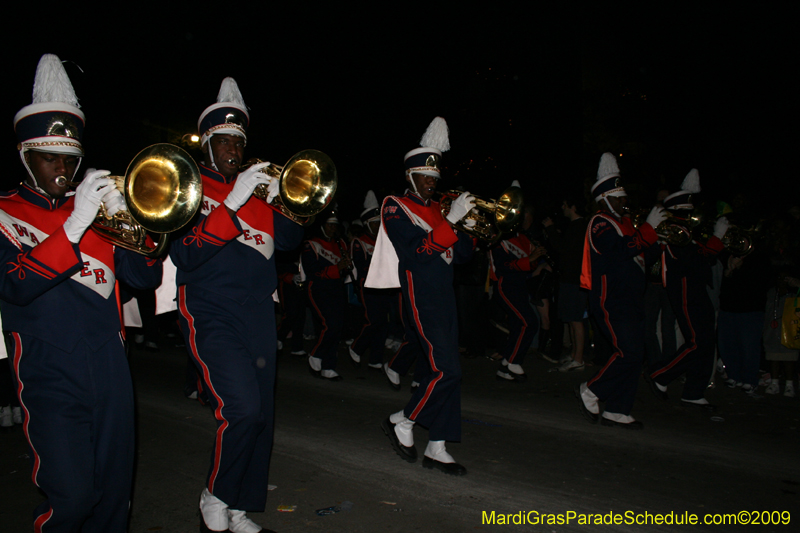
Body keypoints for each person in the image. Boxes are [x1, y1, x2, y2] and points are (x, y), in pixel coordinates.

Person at [0, 54, 162, 532]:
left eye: (71, 159)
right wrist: (72, 227)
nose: (63, 169)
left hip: (110, 364)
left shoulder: (97, 209)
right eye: (50, 157)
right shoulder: (5, 213)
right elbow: (13, 285)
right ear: (25, 155)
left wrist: (129, 219)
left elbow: (144, 278)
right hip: (47, 367)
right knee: (70, 496)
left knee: (114, 496)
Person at [170, 77, 303, 533]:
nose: (232, 148)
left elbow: (289, 238)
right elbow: (185, 254)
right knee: (241, 408)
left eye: (238, 141)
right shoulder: (187, 186)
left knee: (261, 414)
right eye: (223, 140)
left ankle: (239, 505)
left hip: (258, 311)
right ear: (207, 144)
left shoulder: (258, 188)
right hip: (208, 305)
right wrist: (235, 199)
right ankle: (216, 491)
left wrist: (280, 195)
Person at [367, 117, 475, 475]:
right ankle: (404, 419)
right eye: (425, 176)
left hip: (445, 296)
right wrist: (448, 223)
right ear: (410, 175)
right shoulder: (395, 205)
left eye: (435, 177)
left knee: (439, 370)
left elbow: (462, 257)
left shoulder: (440, 211)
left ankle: (439, 446)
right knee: (449, 370)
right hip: (420, 295)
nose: (431, 181)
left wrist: (463, 224)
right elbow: (415, 253)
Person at [575, 152, 666, 429]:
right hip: (610, 298)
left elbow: (639, 259)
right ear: (606, 199)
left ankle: (618, 409)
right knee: (628, 352)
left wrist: (656, 241)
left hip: (630, 298)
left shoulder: (626, 225)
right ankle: (592, 389)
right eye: (620, 197)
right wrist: (648, 230)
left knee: (635, 354)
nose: (625, 201)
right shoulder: (600, 222)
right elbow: (618, 252)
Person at [644, 170, 726, 409]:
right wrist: (717, 240)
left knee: (706, 341)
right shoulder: (674, 232)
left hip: (696, 290)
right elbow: (698, 259)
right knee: (696, 342)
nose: (693, 216)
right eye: (689, 212)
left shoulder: (687, 232)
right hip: (685, 292)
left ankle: (693, 390)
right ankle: (661, 374)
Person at [489, 182, 545, 381]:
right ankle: (513, 362)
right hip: (506, 285)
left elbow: (528, 266)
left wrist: (537, 256)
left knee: (518, 325)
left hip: (520, 286)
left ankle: (505, 366)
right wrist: (528, 260)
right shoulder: (499, 236)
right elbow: (503, 266)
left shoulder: (524, 238)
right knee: (528, 322)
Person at [302, 212, 352, 381]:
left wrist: (346, 266)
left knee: (337, 327)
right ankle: (316, 354)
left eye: (335, 225)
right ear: (322, 226)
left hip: (336, 289)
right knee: (329, 324)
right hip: (318, 289)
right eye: (329, 225)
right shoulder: (311, 244)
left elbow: (343, 271)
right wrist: (337, 268)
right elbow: (312, 272)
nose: (332, 229)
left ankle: (328, 366)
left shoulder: (341, 244)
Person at [543, 193, 590, 372]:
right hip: (570, 279)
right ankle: (574, 355)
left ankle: (578, 359)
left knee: (576, 319)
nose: (562, 208)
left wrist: (551, 230)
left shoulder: (580, 226)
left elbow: (564, 250)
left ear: (573, 206)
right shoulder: (576, 226)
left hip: (575, 280)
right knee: (571, 318)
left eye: (565, 204)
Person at [349, 191, 393, 369]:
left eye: (378, 223)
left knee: (383, 323)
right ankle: (356, 347)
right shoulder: (359, 242)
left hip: (384, 286)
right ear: (366, 224)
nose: (377, 227)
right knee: (373, 321)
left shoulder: (385, 241)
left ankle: (375, 358)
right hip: (367, 286)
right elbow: (361, 265)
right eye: (373, 224)